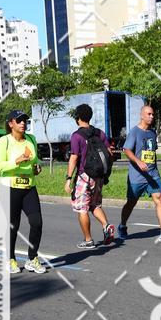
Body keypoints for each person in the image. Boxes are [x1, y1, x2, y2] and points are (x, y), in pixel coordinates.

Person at [0, 110, 46, 274]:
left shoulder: (31, 139)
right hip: (9, 187)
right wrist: (16, 161)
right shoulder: (4, 141)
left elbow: (35, 162)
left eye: (25, 120)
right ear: (11, 124)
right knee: (12, 226)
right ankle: (11, 259)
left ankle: (32, 259)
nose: (23, 123)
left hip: (29, 186)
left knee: (36, 222)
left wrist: (36, 168)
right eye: (19, 120)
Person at [117, 104, 161, 242]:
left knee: (159, 197)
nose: (152, 117)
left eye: (153, 114)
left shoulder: (152, 132)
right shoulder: (134, 132)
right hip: (137, 175)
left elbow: (151, 152)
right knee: (131, 202)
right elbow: (126, 150)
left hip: (152, 174)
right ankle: (122, 225)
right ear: (142, 115)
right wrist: (138, 161)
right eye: (149, 114)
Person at [64, 103, 115, 249]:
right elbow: (109, 153)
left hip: (84, 176)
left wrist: (68, 179)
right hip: (98, 176)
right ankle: (106, 226)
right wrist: (105, 173)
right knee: (95, 204)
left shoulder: (77, 136)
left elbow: (74, 158)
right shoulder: (100, 133)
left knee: (82, 209)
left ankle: (88, 240)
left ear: (78, 118)